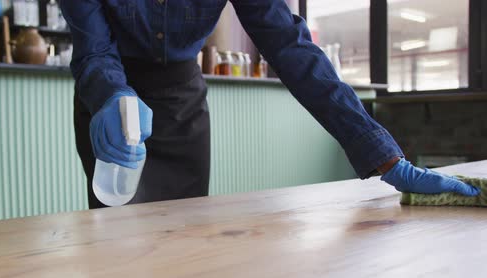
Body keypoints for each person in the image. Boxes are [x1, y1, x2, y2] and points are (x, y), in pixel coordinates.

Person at [60, 0, 480, 209]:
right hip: (115, 107)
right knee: (118, 241)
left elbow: (291, 47)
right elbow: (94, 49)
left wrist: (386, 158)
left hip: (181, 102)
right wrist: (111, 94)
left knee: (180, 243)